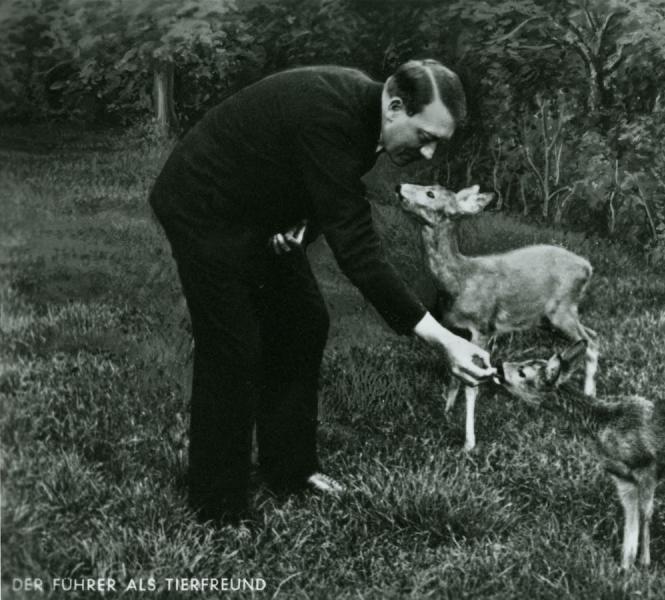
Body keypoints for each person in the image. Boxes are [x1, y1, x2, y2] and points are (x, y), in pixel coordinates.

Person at [148, 59, 496, 525]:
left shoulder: (365, 115)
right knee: (233, 345)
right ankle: (217, 503)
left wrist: (300, 221)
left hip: (255, 211)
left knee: (304, 322)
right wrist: (444, 339)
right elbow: (358, 250)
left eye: (439, 143)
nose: (430, 155)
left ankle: (290, 470)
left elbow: (314, 179)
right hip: (202, 205)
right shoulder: (333, 115)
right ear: (395, 106)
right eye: (426, 137)